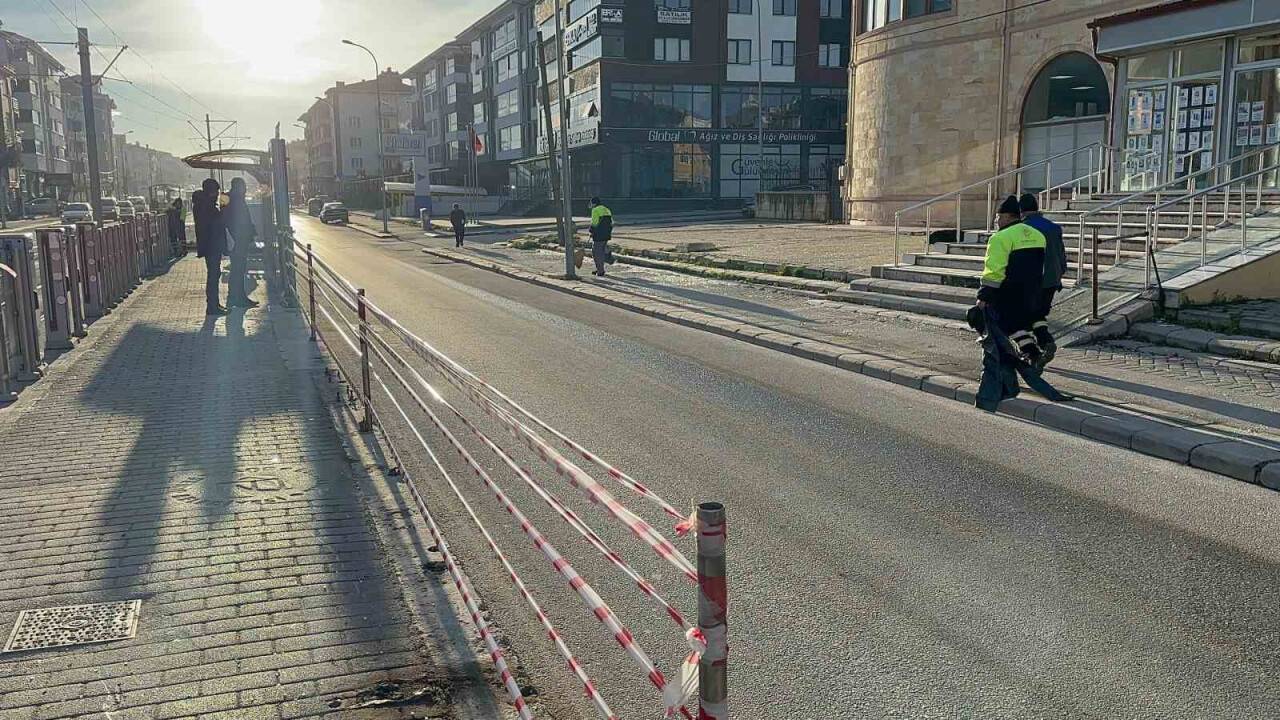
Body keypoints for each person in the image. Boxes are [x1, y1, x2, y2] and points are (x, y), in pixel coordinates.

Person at [973, 195, 1070, 411]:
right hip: (1035, 289)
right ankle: (1043, 340)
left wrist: (984, 296)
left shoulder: (1001, 238)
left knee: (1010, 325)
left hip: (1009, 291)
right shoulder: (1036, 235)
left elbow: (994, 270)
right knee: (1033, 319)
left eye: (999, 217)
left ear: (1008, 216)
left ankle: (1033, 356)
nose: (997, 221)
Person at [1018, 193, 1066, 366]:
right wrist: (1060, 273)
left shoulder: (1022, 228)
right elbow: (1061, 253)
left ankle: (1033, 350)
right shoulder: (1053, 227)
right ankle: (1045, 343)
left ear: (1021, 210)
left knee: (1021, 317)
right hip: (1052, 279)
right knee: (1039, 314)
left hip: (1032, 281)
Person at [192, 178, 226, 316]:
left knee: (214, 274)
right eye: (216, 191)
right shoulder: (207, 206)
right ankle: (212, 306)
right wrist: (222, 211)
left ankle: (214, 304)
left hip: (209, 245)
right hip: (211, 245)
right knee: (213, 275)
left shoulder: (203, 204)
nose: (218, 194)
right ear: (211, 192)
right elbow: (214, 225)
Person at [224, 177, 259, 309]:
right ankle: (236, 298)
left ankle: (237, 297)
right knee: (238, 269)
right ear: (238, 186)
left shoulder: (233, 198)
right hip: (237, 240)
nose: (245, 189)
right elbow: (234, 220)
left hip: (239, 239)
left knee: (238, 269)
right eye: (243, 186)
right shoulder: (233, 199)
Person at [588, 197, 613, 277]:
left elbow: (594, 223)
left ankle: (600, 271)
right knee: (601, 249)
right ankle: (607, 253)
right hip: (606, 234)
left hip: (598, 235)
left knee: (596, 253)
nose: (590, 205)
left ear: (594, 203)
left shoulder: (595, 210)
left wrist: (591, 231)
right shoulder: (606, 209)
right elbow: (611, 222)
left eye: (591, 203)